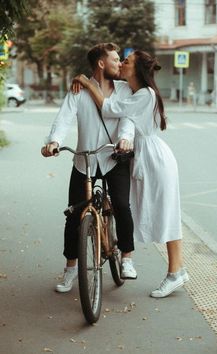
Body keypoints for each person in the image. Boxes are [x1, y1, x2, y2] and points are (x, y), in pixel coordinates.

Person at [72, 50, 189, 298]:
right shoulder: (134, 91)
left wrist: (84, 81)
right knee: (144, 210)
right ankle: (159, 266)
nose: (122, 64)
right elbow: (123, 115)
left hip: (155, 159)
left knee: (167, 214)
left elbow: (108, 107)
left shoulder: (145, 95)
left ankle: (175, 273)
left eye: (127, 62)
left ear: (136, 70)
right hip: (143, 157)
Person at [41, 43, 138, 293]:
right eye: (115, 59)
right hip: (84, 160)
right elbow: (63, 119)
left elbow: (128, 118)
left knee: (121, 204)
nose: (119, 63)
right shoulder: (78, 90)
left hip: (113, 157)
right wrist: (54, 142)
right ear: (101, 63)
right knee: (74, 215)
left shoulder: (124, 90)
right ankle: (71, 268)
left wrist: (125, 138)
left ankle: (126, 257)